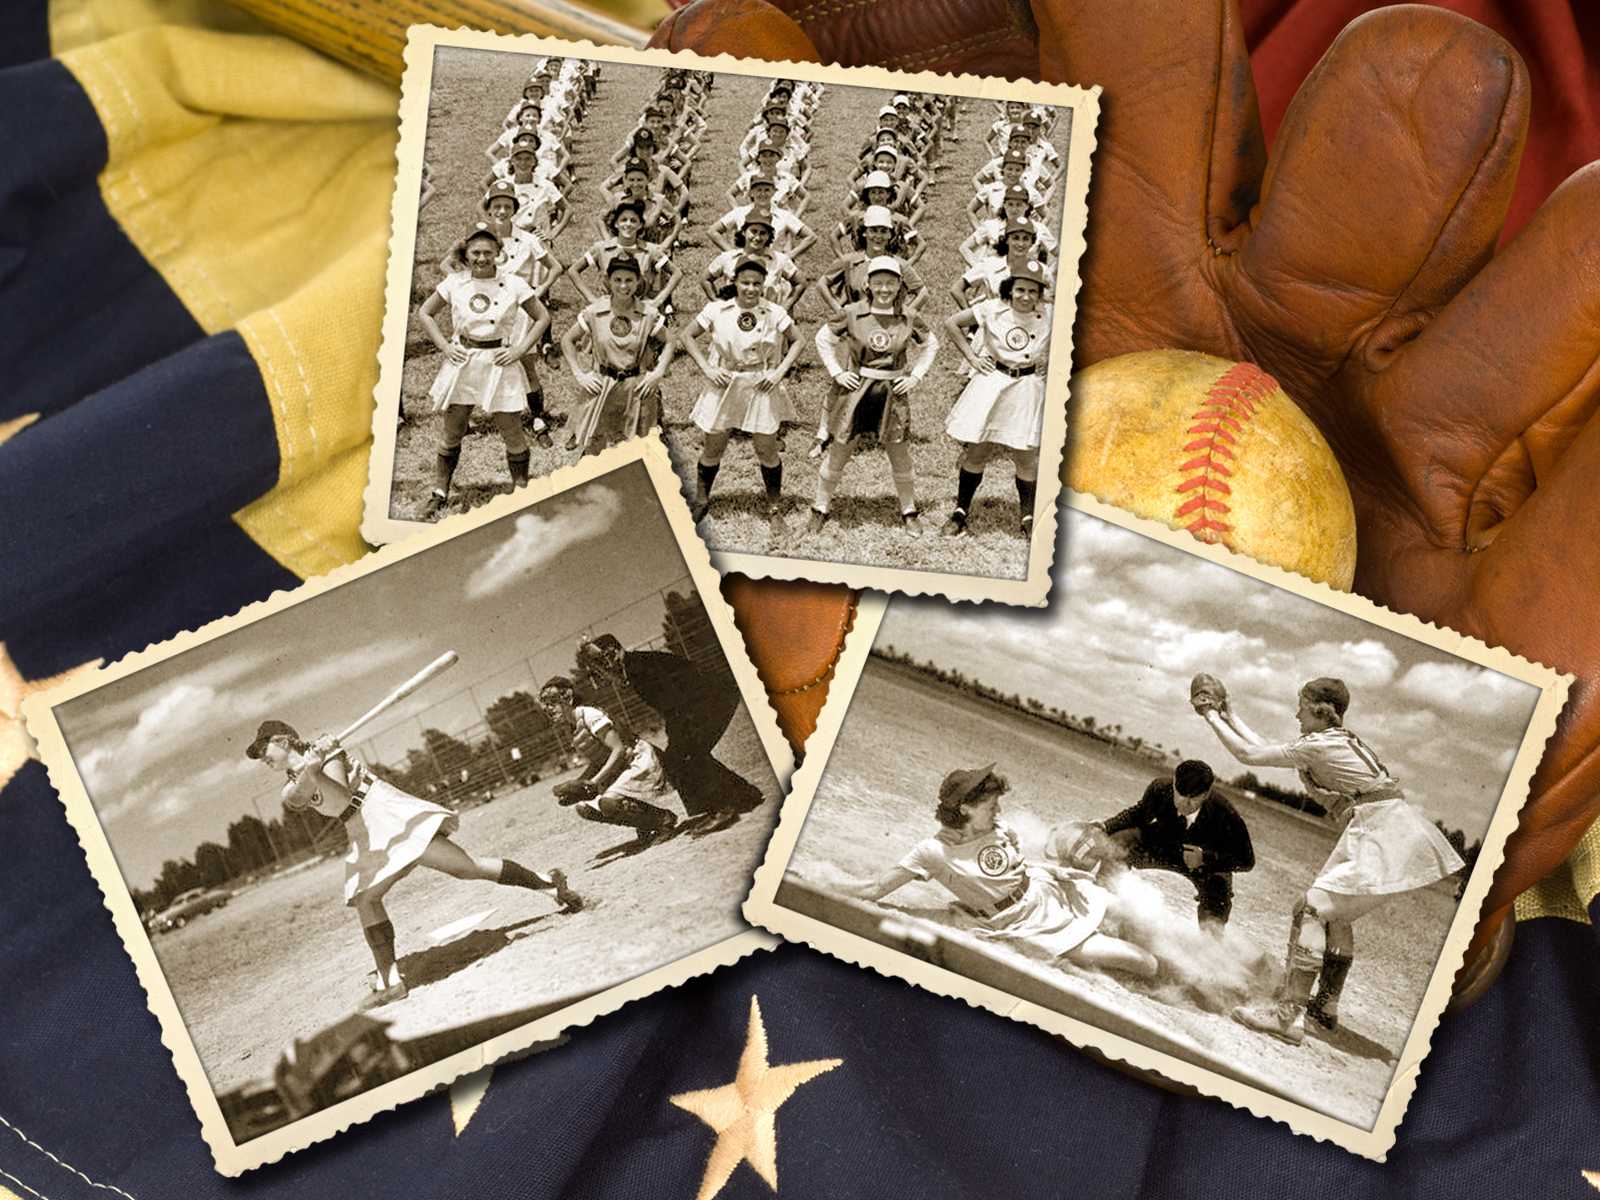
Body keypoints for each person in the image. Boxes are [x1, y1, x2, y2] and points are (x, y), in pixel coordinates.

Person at [1194, 674, 1465, 1043]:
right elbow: (1268, 748)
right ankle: (1325, 1006)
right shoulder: (1329, 741)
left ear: (1322, 711)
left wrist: (1209, 714)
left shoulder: (1321, 745)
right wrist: (1231, 714)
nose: (1296, 715)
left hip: (1381, 830)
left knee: (1311, 909)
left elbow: (1249, 755)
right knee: (1333, 916)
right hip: (1388, 827)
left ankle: (1288, 1016)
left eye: (1302, 708)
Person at [245, 719, 581, 1008]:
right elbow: (301, 798)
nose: (263, 759)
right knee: (369, 897)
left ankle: (550, 885)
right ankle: (390, 982)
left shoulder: (328, 754)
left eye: (264, 751)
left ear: (282, 740)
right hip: (362, 830)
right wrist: (309, 770)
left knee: (467, 869)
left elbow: (343, 796)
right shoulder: (289, 787)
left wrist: (317, 765)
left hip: (383, 811)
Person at [842, 764, 1158, 977]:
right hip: (1024, 925)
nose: (999, 810)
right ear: (964, 808)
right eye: (992, 805)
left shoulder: (998, 825)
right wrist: (821, 886)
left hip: (1047, 892)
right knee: (1145, 964)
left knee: (1141, 925)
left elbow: (1015, 863)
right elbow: (875, 889)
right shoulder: (933, 852)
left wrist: (1060, 868)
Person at [414, 223, 549, 518]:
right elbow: (425, 313)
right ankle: (440, 491)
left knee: (511, 429)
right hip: (463, 360)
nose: (481, 258)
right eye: (475, 252)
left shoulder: (514, 283)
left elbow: (542, 317)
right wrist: (445, 347)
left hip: (499, 361)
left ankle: (521, 489)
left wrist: (518, 349)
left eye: (488, 252)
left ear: (498, 253)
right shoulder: (455, 282)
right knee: (453, 429)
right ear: (467, 252)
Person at [807, 256, 938, 537]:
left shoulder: (909, 315)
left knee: (899, 451)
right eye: (878, 282)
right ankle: (819, 507)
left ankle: (909, 510)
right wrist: (836, 372)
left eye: (890, 282)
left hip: (892, 393)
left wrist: (915, 376)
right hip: (857, 391)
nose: (884, 288)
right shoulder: (853, 312)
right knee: (840, 447)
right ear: (868, 283)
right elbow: (823, 339)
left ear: (900, 284)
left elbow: (931, 345)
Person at [576, 634, 765, 825]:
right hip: (704, 699)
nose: (601, 669)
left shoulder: (639, 667)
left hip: (710, 699)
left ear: (615, 653)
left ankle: (722, 808)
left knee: (685, 755)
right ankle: (745, 796)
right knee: (683, 755)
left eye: (601, 661)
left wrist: (678, 736)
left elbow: (674, 703)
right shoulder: (633, 667)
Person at [678, 259, 804, 538]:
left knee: (766, 448)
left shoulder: (773, 311)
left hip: (760, 382)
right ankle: (701, 501)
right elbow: (687, 335)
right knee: (714, 445)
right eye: (745, 282)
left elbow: (799, 340)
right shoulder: (717, 309)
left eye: (757, 283)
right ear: (734, 281)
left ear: (765, 285)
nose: (750, 288)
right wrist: (708, 368)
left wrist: (778, 372)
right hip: (725, 382)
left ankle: (774, 508)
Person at [939, 259, 1052, 538]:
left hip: (1028, 385)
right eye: (1020, 289)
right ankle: (960, 512)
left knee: (1026, 455)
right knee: (977, 449)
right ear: (1010, 289)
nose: (1026, 297)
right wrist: (972, 358)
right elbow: (951, 323)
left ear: (1040, 294)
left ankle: (1027, 517)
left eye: (1032, 292)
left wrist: (1051, 361)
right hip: (993, 382)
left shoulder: (1050, 313)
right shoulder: (992, 308)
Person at [1094, 759, 1255, 933]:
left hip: (1200, 864)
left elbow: (1247, 861)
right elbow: (1139, 814)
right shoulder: (1160, 789)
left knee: (1220, 880)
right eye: (1180, 794)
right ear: (1173, 785)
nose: (1185, 803)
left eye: (1193, 798)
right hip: (1164, 846)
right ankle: (1100, 903)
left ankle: (1211, 940)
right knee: (1122, 839)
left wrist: (1205, 858)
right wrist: (1105, 826)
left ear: (1207, 793)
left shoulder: (1225, 813)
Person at [537, 676, 680, 848]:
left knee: (608, 803)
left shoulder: (589, 714)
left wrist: (592, 783)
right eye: (546, 705)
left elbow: (618, 749)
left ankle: (663, 820)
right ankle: (646, 824)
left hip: (635, 758)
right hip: (618, 766)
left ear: (567, 698)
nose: (549, 709)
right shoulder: (570, 727)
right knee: (585, 807)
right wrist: (578, 784)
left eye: (553, 702)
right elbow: (599, 760)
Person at [559, 253, 673, 457]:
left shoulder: (648, 314)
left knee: (640, 450)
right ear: (607, 281)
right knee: (594, 448)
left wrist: (657, 374)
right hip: (603, 385)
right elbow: (567, 340)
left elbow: (671, 341)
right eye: (617, 280)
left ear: (639, 281)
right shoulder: (595, 312)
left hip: (637, 386)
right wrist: (580, 375)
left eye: (629, 280)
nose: (623, 286)